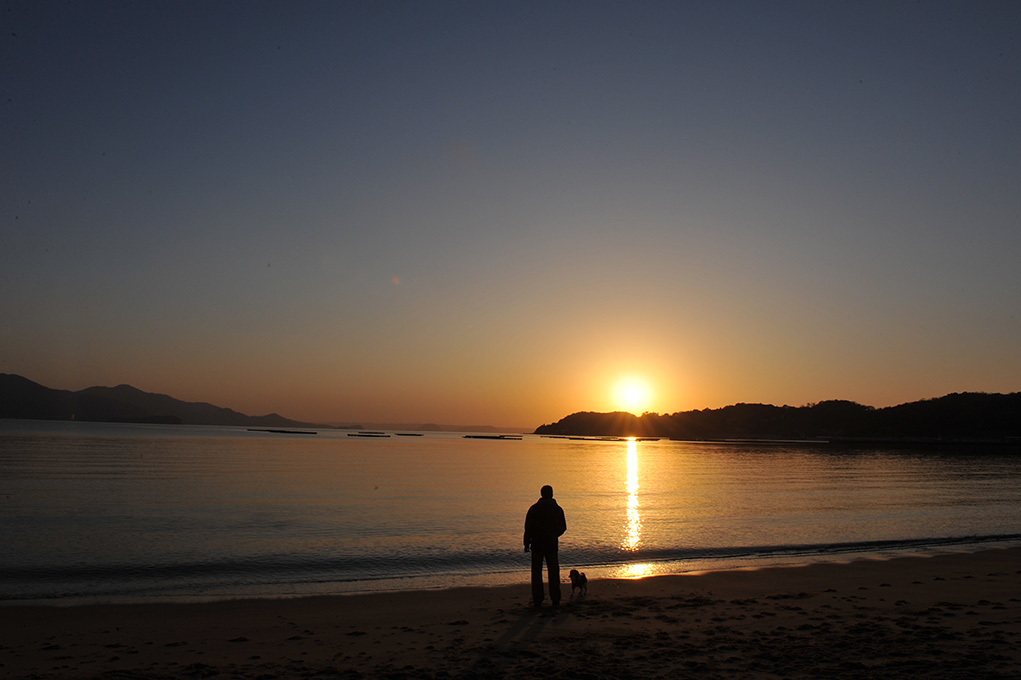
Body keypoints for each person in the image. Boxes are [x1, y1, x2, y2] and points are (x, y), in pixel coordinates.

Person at [523, 484, 567, 607]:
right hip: (550, 544)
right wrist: (553, 535)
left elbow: (528, 528)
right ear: (551, 494)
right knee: (553, 572)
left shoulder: (534, 508)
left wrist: (527, 543)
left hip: (537, 544)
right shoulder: (557, 509)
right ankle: (555, 598)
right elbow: (562, 527)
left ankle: (538, 599)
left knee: (536, 572)